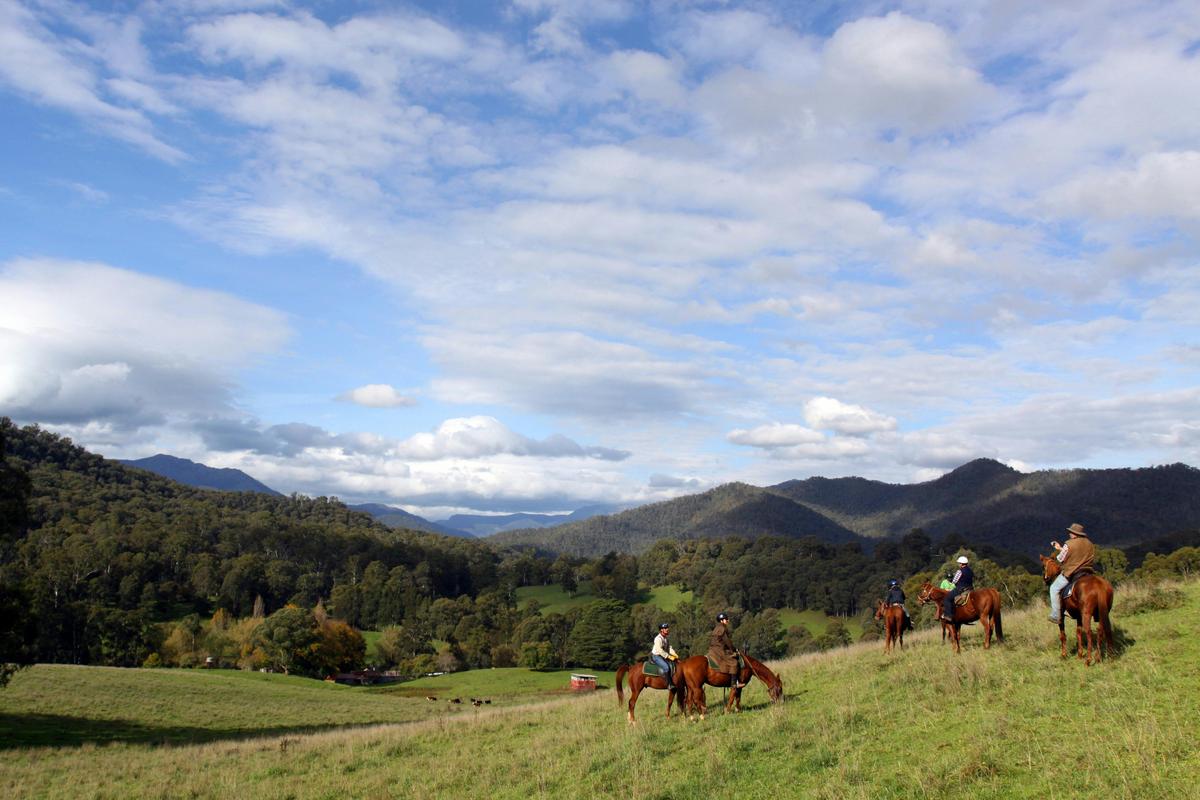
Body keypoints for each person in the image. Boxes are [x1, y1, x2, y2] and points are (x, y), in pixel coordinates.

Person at [1048, 522, 1096, 623]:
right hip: (1088, 571)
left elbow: (1060, 559)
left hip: (1073, 572)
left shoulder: (1069, 543)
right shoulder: (1090, 543)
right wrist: (1060, 548)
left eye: (1070, 532)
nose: (1069, 533)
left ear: (1074, 533)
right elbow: (1080, 554)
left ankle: (1056, 615)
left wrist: (1060, 551)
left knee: (1054, 588)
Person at [707, 612, 743, 688]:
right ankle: (734, 683)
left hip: (712, 650)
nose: (727, 620)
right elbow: (727, 641)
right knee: (734, 662)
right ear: (721, 621)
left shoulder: (717, 628)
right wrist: (733, 649)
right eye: (726, 619)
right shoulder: (723, 628)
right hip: (719, 650)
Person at [941, 556, 974, 622]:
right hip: (970, 589)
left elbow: (954, 581)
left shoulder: (960, 571)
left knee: (947, 598)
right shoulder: (970, 571)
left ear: (962, 564)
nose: (959, 564)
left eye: (959, 563)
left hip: (961, 589)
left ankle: (948, 616)